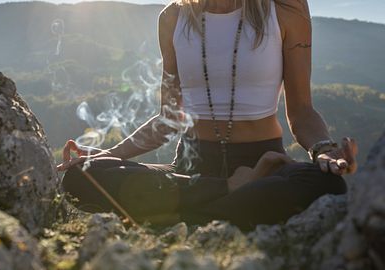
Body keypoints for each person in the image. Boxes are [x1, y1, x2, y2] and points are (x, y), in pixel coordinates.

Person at [57, 0, 358, 230]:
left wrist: (322, 149)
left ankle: (181, 215)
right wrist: (106, 155)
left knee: (326, 185)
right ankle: (228, 198)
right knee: (80, 177)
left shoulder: (285, 9)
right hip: (192, 167)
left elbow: (302, 111)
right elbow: (169, 118)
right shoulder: (172, 18)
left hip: (264, 166)